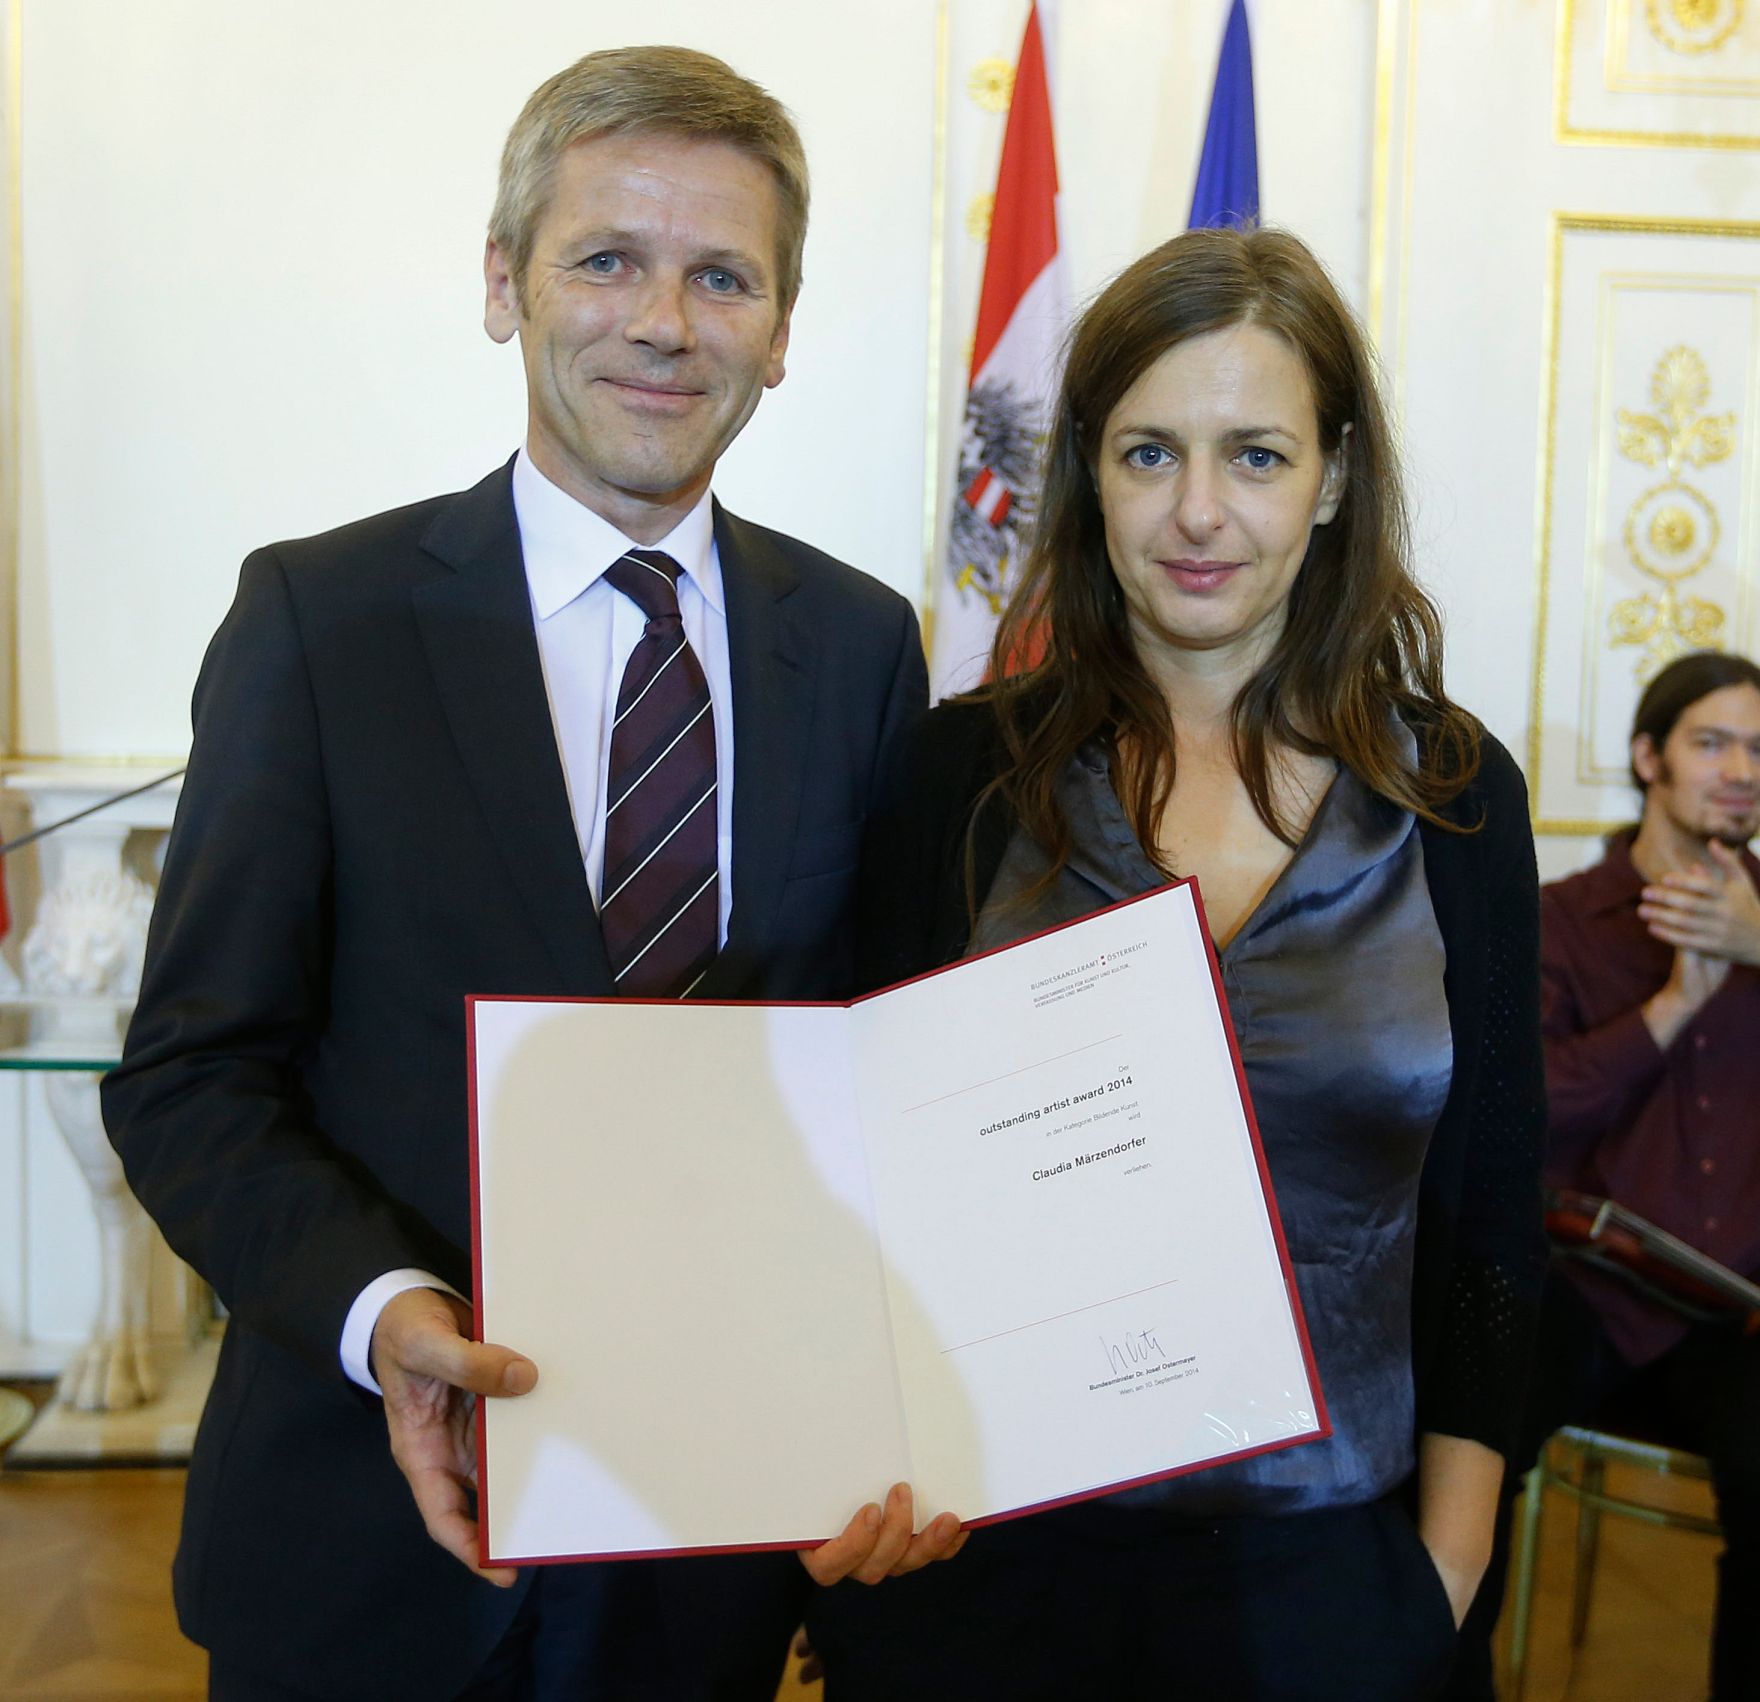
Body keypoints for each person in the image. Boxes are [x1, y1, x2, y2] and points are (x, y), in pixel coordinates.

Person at [100, 45, 960, 1702]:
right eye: (607, 260)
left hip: (707, 1558)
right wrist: (385, 1311)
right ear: (505, 283)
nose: (665, 321)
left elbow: (877, 1072)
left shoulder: (859, 648)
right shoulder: (318, 622)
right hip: (369, 1546)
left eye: (723, 275)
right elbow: (193, 1080)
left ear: (781, 330)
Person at [804, 226, 1548, 1701]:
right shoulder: (957, 775)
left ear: (1334, 476)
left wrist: (1444, 1574)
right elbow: (855, 1185)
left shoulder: (1458, 794)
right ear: (1088, 469)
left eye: (1257, 455)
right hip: (990, 1581)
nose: (1199, 512)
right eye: (1150, 453)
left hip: (1342, 1580)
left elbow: (1495, 1220)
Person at [1464, 650, 1760, 1701]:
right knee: (1467, 1450)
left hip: (1731, 1315)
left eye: (1757, 750)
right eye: (1710, 742)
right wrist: (1678, 1000)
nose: (1739, 770)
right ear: (1647, 757)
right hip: (1582, 1286)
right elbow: (1522, 1110)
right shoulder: (1563, 917)